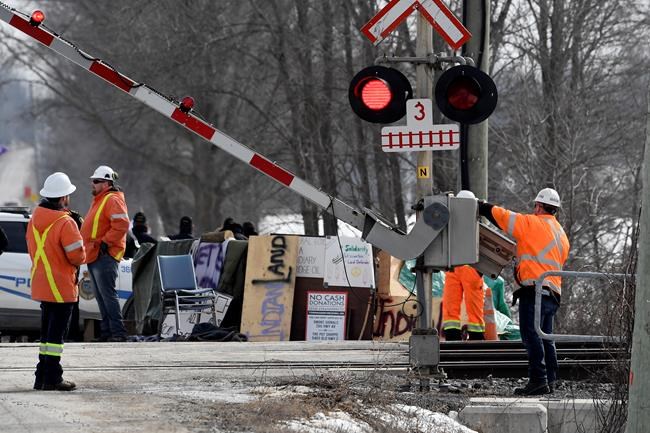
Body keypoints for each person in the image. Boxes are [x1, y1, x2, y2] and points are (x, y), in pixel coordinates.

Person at [478, 187, 570, 396]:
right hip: (553, 293)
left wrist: (482, 207)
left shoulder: (532, 223)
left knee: (530, 335)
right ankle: (550, 380)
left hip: (535, 290)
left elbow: (504, 217)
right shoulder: (561, 234)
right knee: (546, 336)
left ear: (538, 206)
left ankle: (538, 380)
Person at [26, 172, 85, 391]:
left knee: (46, 336)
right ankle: (53, 378)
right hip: (61, 286)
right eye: (68, 195)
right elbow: (78, 257)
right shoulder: (66, 223)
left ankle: (41, 377)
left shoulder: (34, 219)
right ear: (62, 198)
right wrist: (77, 231)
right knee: (55, 339)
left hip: (42, 283)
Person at [80, 165, 130, 342]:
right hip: (95, 254)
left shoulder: (112, 200)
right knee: (101, 296)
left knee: (107, 295)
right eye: (92, 181)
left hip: (104, 254)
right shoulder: (101, 200)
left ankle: (118, 333)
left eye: (96, 181)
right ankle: (108, 332)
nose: (92, 184)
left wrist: (105, 243)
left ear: (107, 183)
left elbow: (122, 225)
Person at [442, 265, 485, 341]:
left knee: (473, 307)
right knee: (451, 306)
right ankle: (452, 335)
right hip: (455, 265)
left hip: (464, 264)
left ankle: (476, 337)